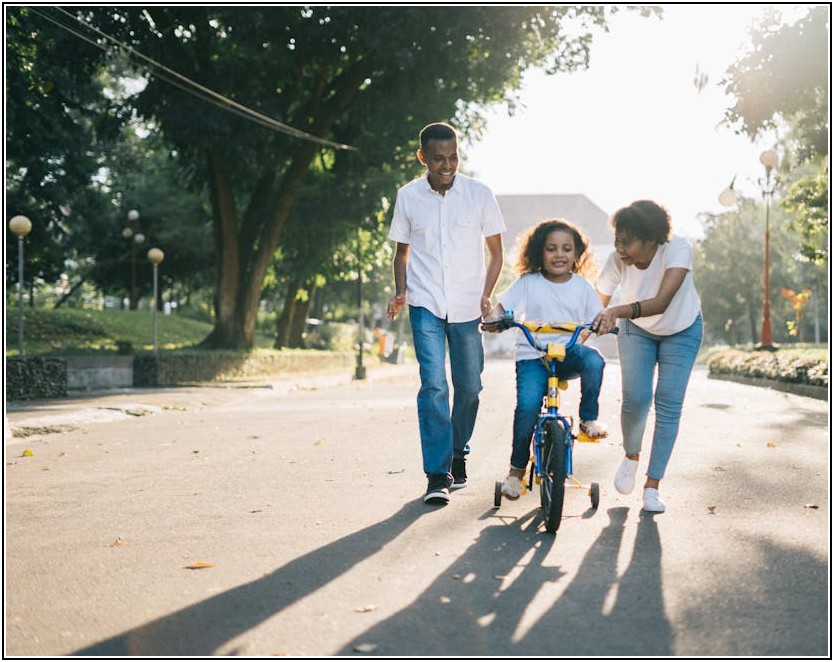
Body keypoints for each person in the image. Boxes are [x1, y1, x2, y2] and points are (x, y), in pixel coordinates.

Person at [386, 121, 506, 505]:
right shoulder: (408, 197)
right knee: (434, 385)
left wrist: (486, 294)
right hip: (425, 303)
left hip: (468, 305)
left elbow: (497, 253)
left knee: (469, 387)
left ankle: (457, 453)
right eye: (439, 158)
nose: (448, 165)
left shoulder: (479, 194)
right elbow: (401, 253)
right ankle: (437, 474)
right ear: (423, 157)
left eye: (453, 157)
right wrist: (401, 291)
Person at [484, 218, 609, 500]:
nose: (559, 254)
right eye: (551, 249)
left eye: (567, 249)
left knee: (595, 361)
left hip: (567, 353)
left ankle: (588, 419)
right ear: (539, 252)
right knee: (527, 407)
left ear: (577, 254)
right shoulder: (528, 282)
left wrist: (602, 324)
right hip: (533, 355)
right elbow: (501, 309)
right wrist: (494, 319)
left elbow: (596, 318)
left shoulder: (582, 286)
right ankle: (516, 471)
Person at [592, 199, 703, 513]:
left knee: (668, 402)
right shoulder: (617, 260)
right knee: (636, 398)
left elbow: (661, 302)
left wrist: (616, 311)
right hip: (637, 330)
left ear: (652, 238)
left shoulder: (676, 249)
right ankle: (631, 456)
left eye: (627, 242)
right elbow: (596, 305)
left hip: (682, 328)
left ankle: (653, 486)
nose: (619, 248)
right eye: (617, 240)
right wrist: (577, 336)